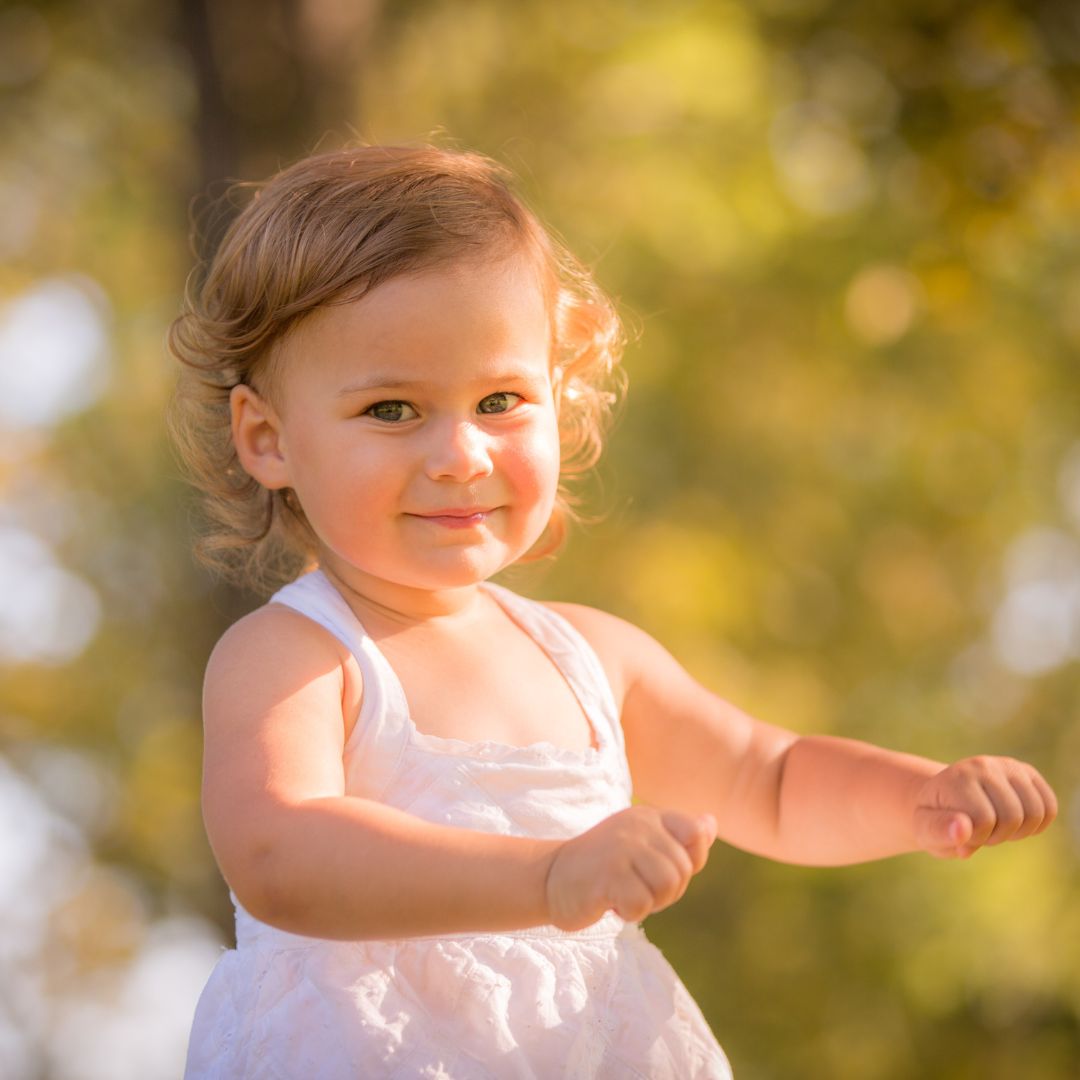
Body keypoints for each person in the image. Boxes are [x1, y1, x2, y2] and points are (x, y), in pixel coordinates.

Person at [170, 144, 1057, 1079]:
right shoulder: (297, 655)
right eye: (393, 410)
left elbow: (775, 779)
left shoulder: (592, 659)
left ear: (562, 398)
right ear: (267, 439)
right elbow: (279, 850)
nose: (462, 454)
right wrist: (549, 877)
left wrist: (920, 799)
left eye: (501, 399)